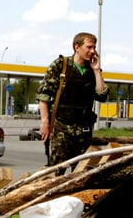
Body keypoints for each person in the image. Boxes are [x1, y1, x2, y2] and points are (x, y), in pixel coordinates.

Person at [36, 32, 109, 173]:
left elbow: (101, 95)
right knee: (56, 172)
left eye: (94, 47)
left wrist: (96, 70)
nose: (92, 51)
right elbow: (44, 96)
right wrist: (45, 122)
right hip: (61, 128)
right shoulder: (61, 65)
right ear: (77, 47)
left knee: (81, 173)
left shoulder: (92, 71)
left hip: (83, 130)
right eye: (89, 47)